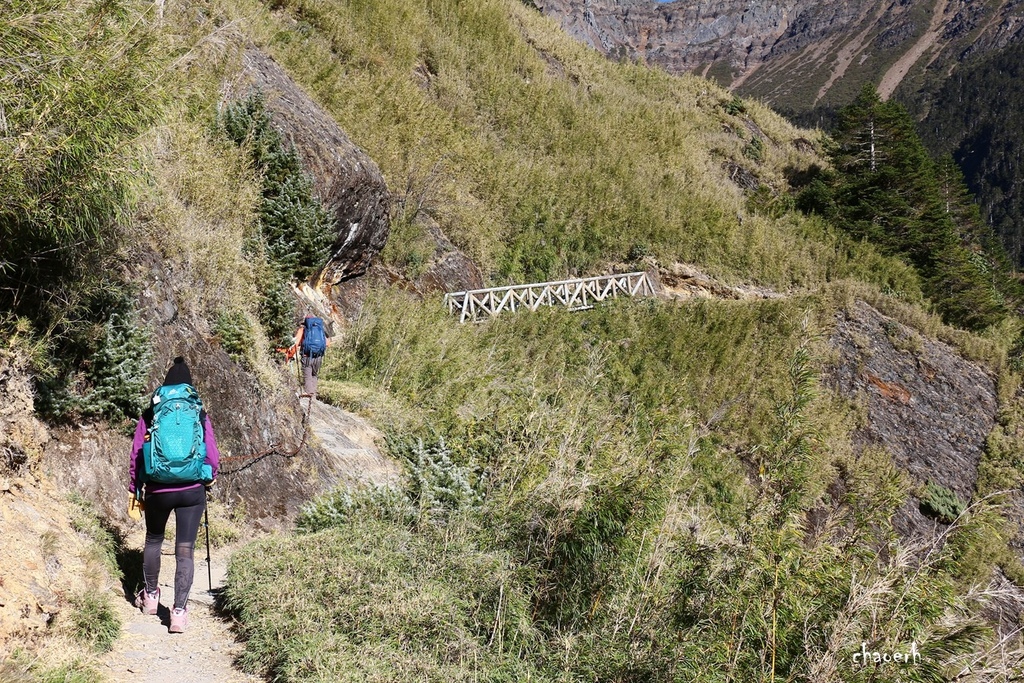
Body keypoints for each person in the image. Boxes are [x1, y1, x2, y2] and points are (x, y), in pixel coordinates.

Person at [127, 356, 219, 634]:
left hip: (158, 488)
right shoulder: (198, 412)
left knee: (154, 540)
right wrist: (208, 476)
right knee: (185, 550)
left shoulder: (152, 412)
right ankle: (178, 614)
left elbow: (136, 454)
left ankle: (151, 598)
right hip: (191, 490)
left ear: (165, 385)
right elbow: (212, 454)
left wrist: (135, 488)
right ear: (190, 385)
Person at [287, 314, 331, 397]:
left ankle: (309, 395)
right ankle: (313, 394)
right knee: (314, 375)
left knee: (307, 375)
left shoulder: (303, 329)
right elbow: (327, 343)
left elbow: (295, 344)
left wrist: (290, 355)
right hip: (318, 357)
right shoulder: (319, 329)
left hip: (307, 356)